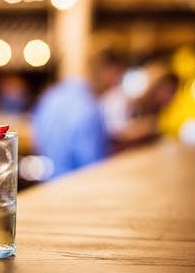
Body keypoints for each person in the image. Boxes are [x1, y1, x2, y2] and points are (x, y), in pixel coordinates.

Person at [30, 50, 126, 180]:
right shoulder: (89, 109)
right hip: (76, 189)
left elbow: (36, 138)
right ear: (107, 70)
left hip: (47, 185)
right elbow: (93, 168)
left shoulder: (52, 95)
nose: (116, 84)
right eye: (117, 76)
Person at [101, 60, 179, 153]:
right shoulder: (126, 102)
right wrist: (150, 126)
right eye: (165, 90)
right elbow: (115, 133)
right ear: (154, 86)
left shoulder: (160, 112)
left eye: (172, 92)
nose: (168, 96)